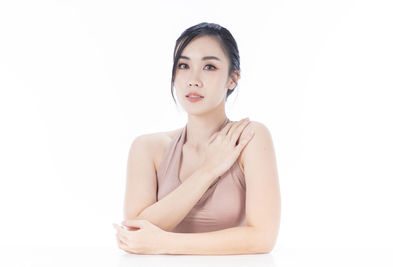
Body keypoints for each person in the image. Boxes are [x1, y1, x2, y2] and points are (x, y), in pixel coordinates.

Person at [113, 22, 281, 255]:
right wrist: (208, 170)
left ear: (232, 79)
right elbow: (134, 233)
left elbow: (262, 238)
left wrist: (163, 243)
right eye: (183, 65)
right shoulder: (147, 148)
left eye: (209, 67)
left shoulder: (250, 139)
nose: (193, 80)